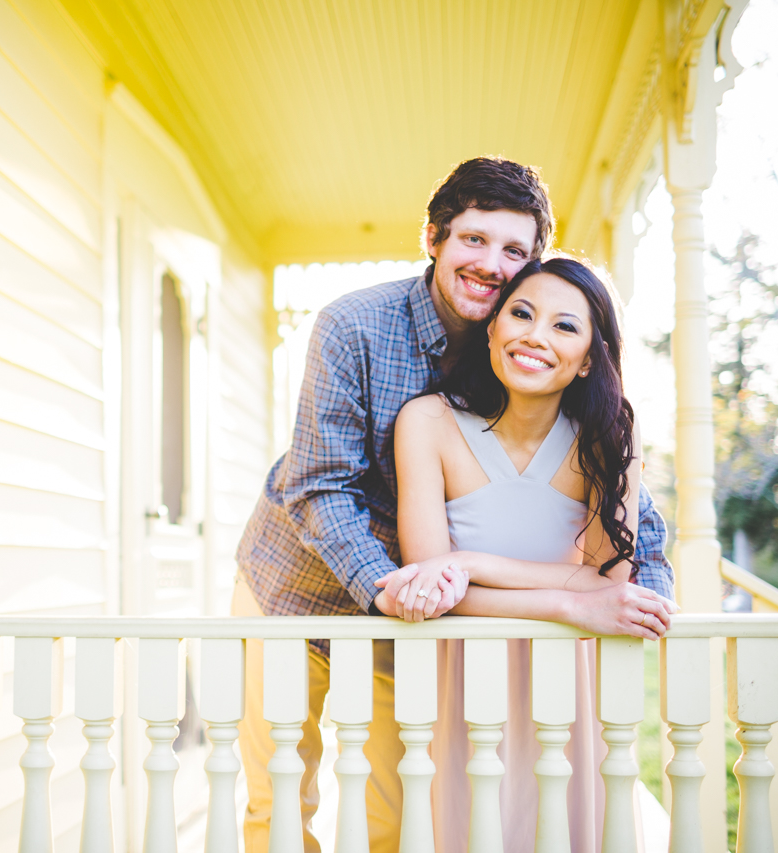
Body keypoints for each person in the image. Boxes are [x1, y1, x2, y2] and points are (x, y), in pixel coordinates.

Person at [232, 157, 676, 853]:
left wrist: (640, 589)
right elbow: (321, 485)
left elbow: (624, 499)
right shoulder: (354, 326)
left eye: (514, 252)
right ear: (435, 238)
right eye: (473, 239)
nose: (491, 264)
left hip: (420, 607)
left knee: (394, 806)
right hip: (301, 586)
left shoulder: (522, 342)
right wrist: (404, 588)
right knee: (281, 799)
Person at [381, 255, 670, 852]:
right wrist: (566, 603)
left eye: (565, 326)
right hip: (457, 684)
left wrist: (472, 565)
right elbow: (433, 594)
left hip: (565, 687)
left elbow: (607, 582)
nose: (536, 336)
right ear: (492, 328)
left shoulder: (610, 431)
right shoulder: (427, 422)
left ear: (590, 357)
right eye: (521, 313)